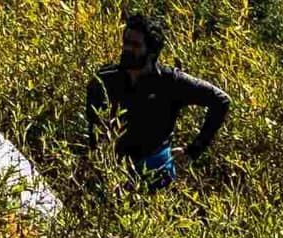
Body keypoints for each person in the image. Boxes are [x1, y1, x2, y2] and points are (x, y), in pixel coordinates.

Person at [84, 13, 229, 184]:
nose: (127, 49)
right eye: (126, 43)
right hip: (112, 171)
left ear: (152, 52)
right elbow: (92, 122)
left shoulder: (170, 82)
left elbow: (220, 100)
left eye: (136, 45)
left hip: (155, 172)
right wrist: (93, 158)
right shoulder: (106, 78)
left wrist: (193, 150)